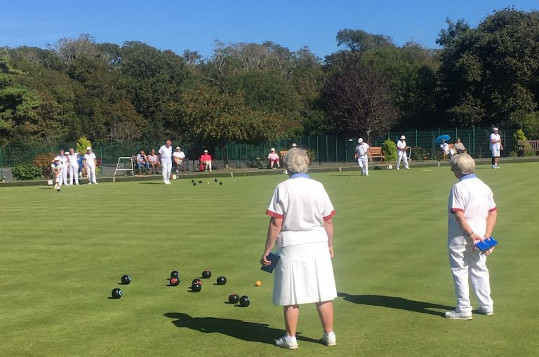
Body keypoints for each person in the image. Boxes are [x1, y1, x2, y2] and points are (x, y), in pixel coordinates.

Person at [261, 148, 337, 350]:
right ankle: (329, 334)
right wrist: (330, 244)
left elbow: (276, 222)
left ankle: (291, 338)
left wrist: (267, 249)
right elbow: (327, 221)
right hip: (317, 243)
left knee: (291, 295)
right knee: (323, 293)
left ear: (287, 166)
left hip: (291, 245)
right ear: (307, 164)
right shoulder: (318, 187)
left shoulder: (283, 188)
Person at [445, 153, 497, 320]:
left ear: (458, 171)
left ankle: (463, 308)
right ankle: (486, 305)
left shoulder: (458, 187)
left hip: (461, 237)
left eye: (453, 169)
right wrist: (486, 236)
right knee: (480, 269)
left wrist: (470, 234)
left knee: (460, 270)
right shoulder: (484, 186)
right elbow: (493, 212)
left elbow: (459, 214)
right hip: (481, 237)